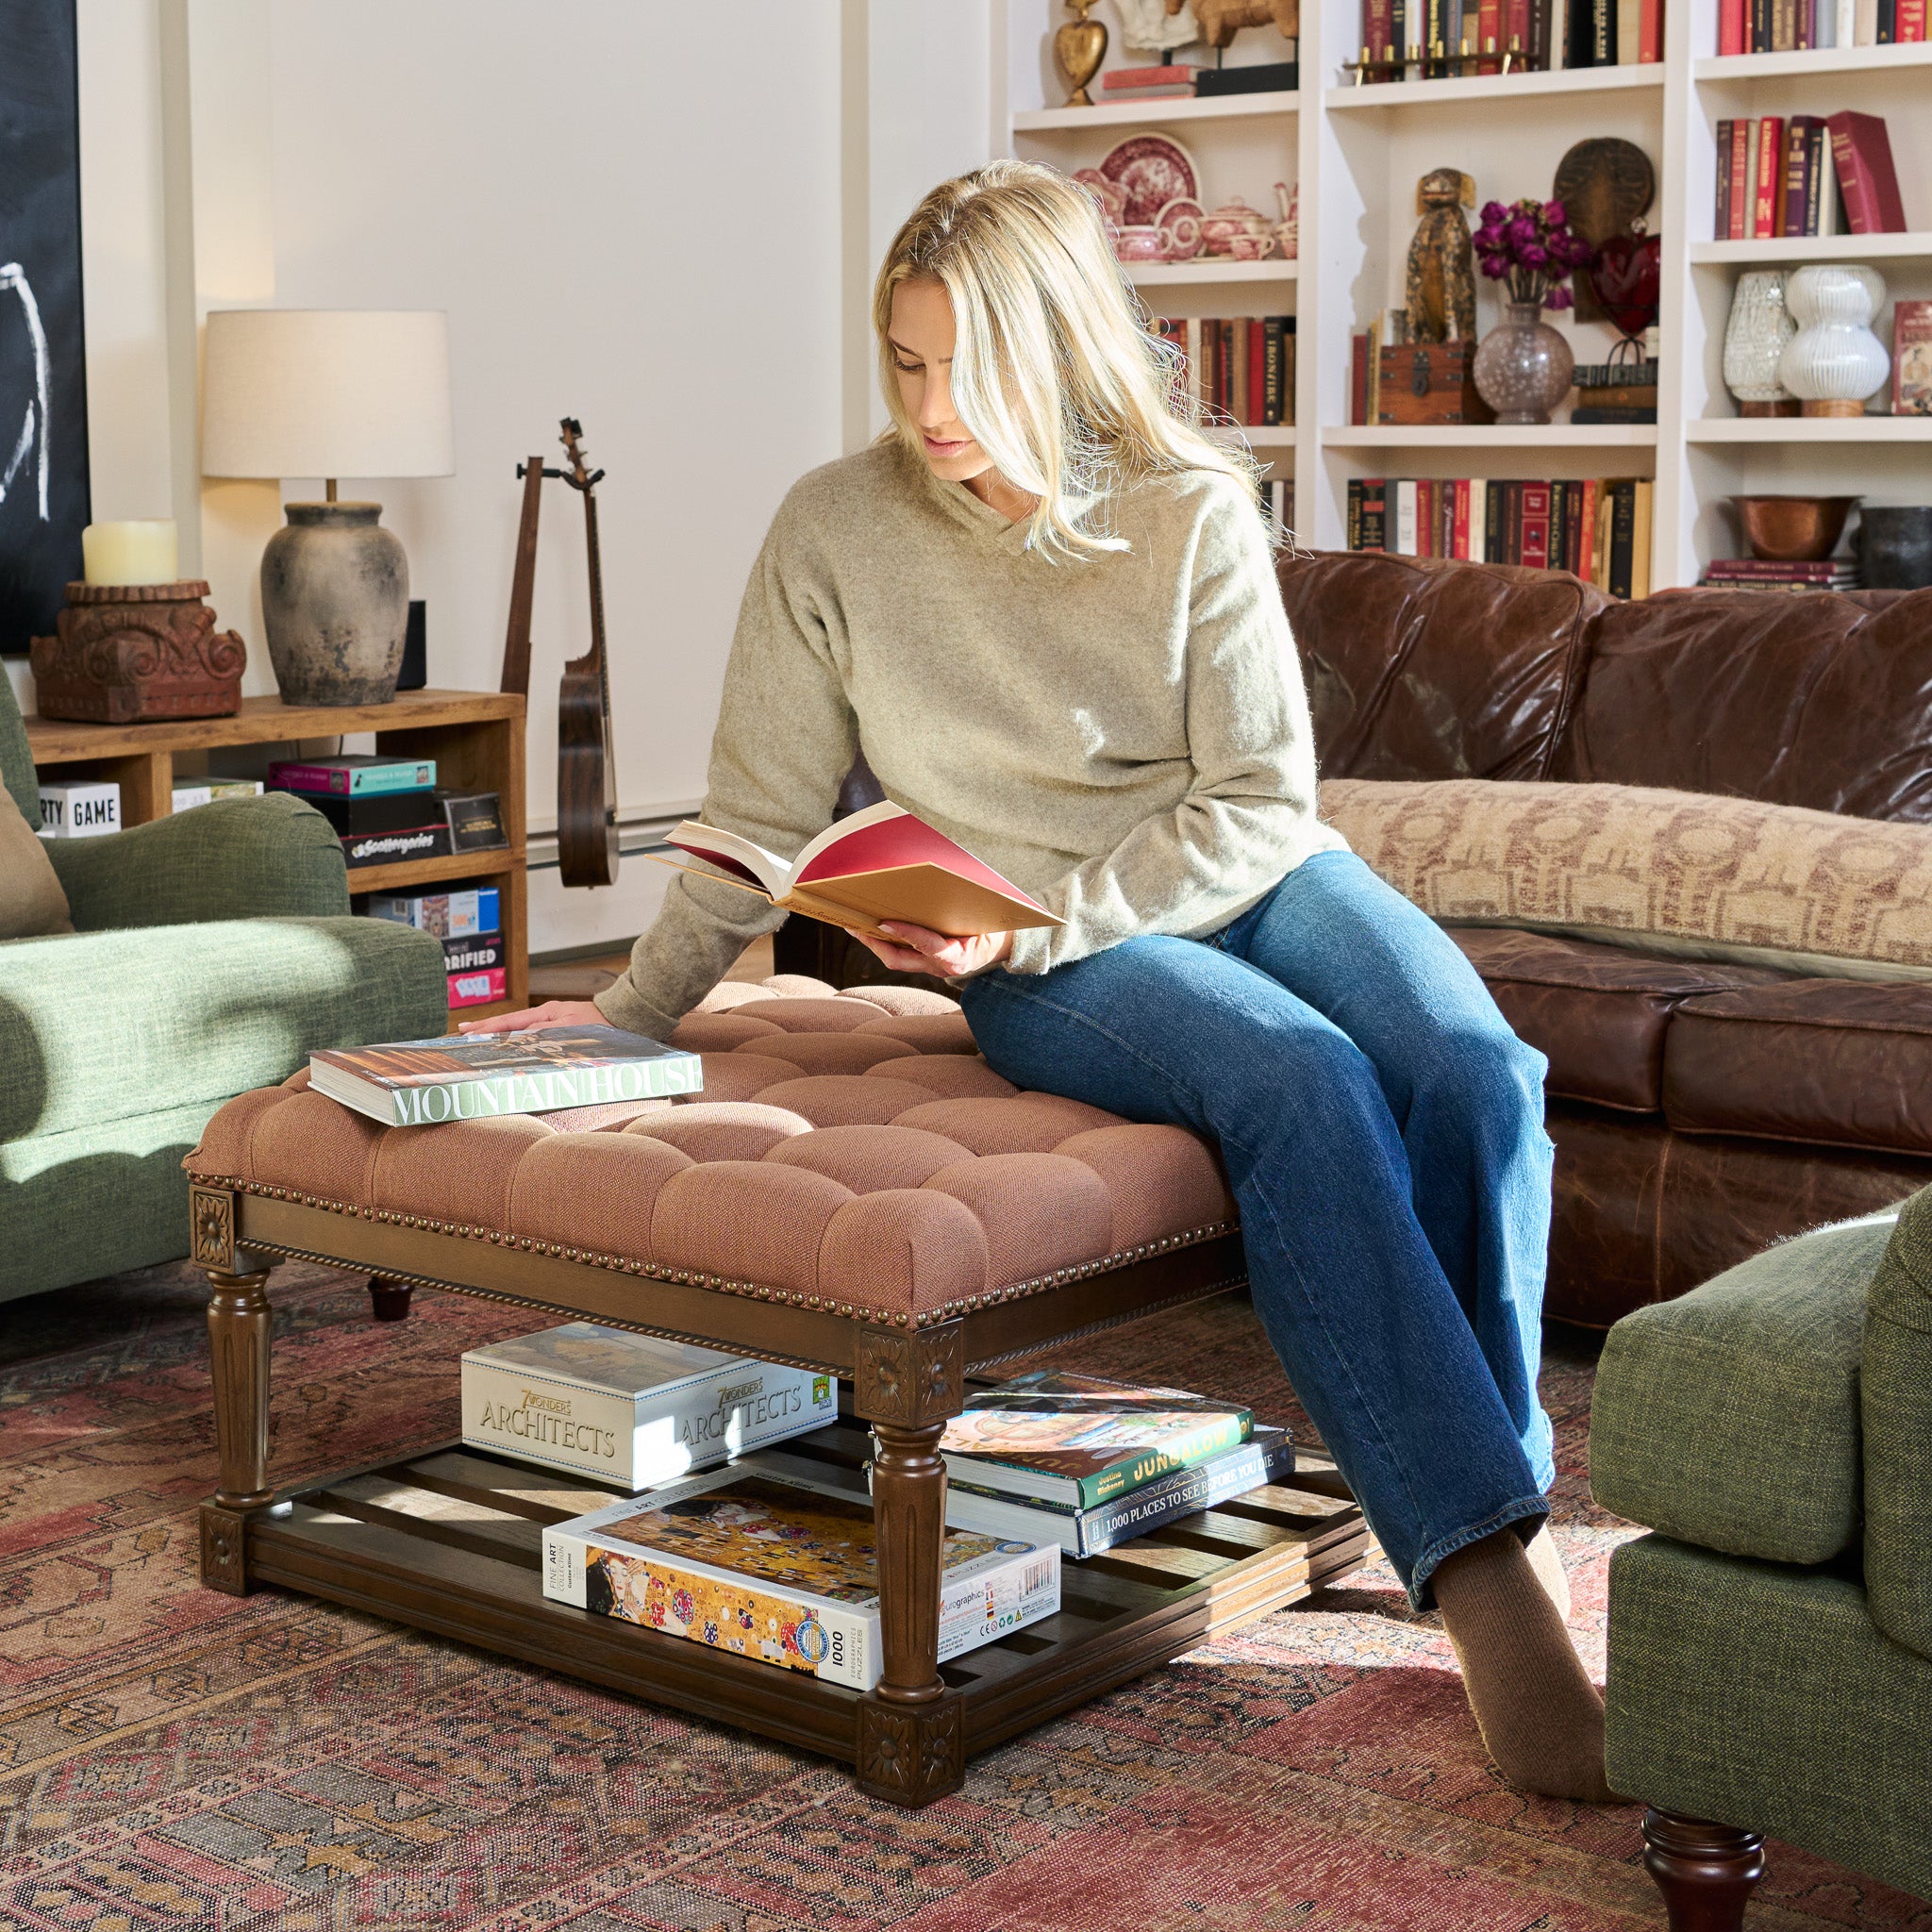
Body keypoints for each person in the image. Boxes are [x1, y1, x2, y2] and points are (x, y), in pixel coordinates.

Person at [467, 160, 1611, 1804]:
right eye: (906, 362)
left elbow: (1259, 805)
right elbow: (757, 822)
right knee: (1301, 1083)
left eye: (970, 366)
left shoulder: (1187, 507)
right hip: (1030, 950)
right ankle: (1489, 1576)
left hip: (1246, 879)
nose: (932, 408)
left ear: (1061, 347)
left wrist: (1071, 904)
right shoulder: (834, 527)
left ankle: (1486, 1490)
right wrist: (626, 1016)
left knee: (1480, 1071)